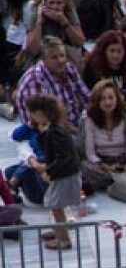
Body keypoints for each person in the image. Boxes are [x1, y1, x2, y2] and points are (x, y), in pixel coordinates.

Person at [23, 93, 83, 251]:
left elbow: (64, 158)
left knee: (55, 205)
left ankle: (64, 240)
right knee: (54, 203)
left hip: (66, 174)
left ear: (40, 113)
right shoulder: (53, 131)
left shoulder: (54, 133)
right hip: (64, 173)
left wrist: (47, 169)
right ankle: (59, 230)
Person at [15, 37, 91, 130]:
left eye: (62, 55)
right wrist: (77, 133)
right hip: (46, 133)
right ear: (43, 59)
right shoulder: (34, 81)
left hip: (74, 125)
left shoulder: (69, 69)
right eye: (54, 57)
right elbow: (42, 123)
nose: (60, 61)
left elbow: (88, 99)